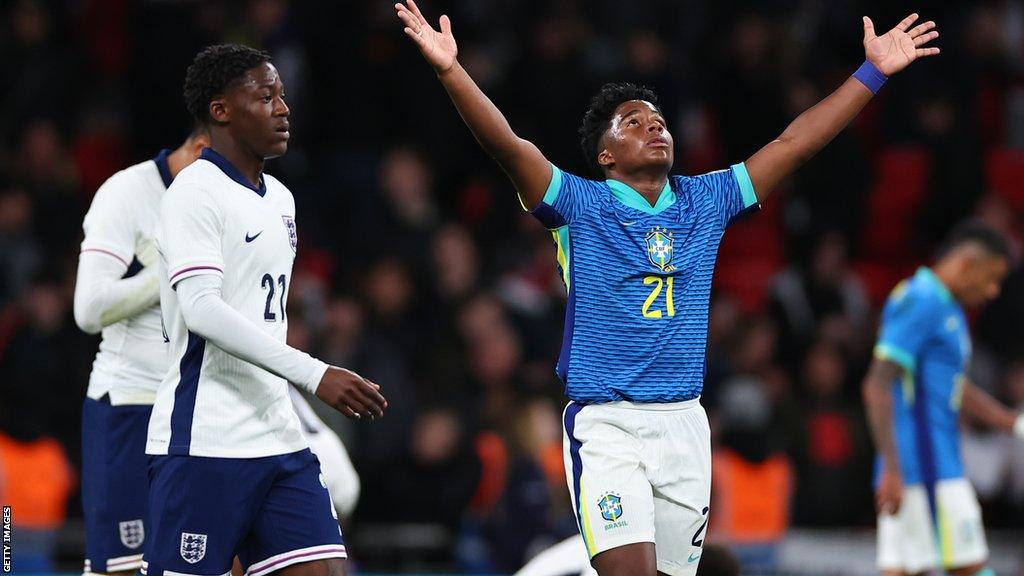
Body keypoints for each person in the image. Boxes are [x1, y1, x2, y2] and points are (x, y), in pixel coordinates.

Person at [395, 2, 939, 574]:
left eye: (658, 120)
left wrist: (871, 73)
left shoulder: (706, 199)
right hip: (609, 427)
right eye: (632, 122)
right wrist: (451, 71)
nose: (653, 126)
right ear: (605, 156)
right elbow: (507, 145)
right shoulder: (581, 205)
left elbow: (793, 144)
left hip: (684, 425)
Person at [141, 44, 386, 576]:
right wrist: (314, 373)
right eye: (265, 96)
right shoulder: (194, 193)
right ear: (221, 110)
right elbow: (202, 309)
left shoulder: (280, 198)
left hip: (277, 434)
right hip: (205, 437)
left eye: (283, 96)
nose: (283, 108)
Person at [74, 128, 209, 576]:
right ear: (202, 149)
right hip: (129, 405)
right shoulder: (126, 193)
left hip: (197, 411)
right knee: (121, 569)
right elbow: (89, 308)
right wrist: (168, 272)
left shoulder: (227, 199)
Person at [862, 222, 1024, 576]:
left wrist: (1012, 422)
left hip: (931, 463)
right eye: (991, 277)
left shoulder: (948, 308)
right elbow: (877, 383)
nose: (994, 291)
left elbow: (952, 387)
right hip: (924, 468)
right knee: (969, 567)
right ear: (967, 263)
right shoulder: (921, 300)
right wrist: (891, 468)